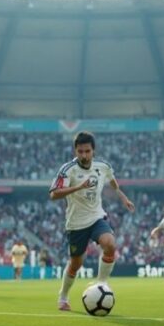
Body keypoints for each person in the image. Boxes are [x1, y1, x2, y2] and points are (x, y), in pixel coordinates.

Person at [49, 131, 135, 311]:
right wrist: (78, 187)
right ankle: (63, 296)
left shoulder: (103, 166)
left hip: (96, 216)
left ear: (93, 150)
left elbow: (113, 183)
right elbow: (53, 194)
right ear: (75, 151)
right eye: (80, 151)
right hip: (75, 223)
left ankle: (101, 283)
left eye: (87, 151)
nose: (83, 155)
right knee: (75, 264)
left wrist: (123, 198)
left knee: (110, 243)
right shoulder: (67, 169)